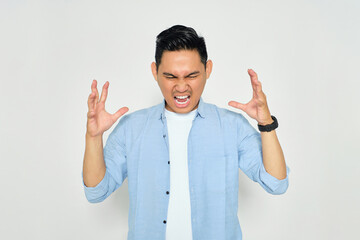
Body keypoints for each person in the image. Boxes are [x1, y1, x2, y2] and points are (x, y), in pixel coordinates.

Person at [82, 25, 290, 240]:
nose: (181, 87)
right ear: (155, 71)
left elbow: (276, 183)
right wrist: (93, 137)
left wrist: (266, 123)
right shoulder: (131, 128)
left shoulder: (232, 126)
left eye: (191, 75)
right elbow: (96, 192)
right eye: (170, 76)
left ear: (208, 69)